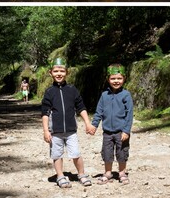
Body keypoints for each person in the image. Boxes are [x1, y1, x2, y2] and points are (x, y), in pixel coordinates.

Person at [41, 58, 95, 188]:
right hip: (55, 132)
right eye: (55, 71)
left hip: (71, 131)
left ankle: (81, 174)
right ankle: (60, 176)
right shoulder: (49, 92)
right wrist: (46, 130)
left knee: (76, 153)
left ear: (67, 72)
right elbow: (45, 113)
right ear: (50, 73)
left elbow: (81, 107)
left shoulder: (72, 89)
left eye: (62, 71)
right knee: (57, 154)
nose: (59, 74)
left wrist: (88, 123)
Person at [90, 64, 133, 185]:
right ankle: (108, 172)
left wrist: (126, 130)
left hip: (121, 132)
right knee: (107, 152)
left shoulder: (126, 95)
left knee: (122, 152)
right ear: (108, 79)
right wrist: (94, 125)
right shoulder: (104, 95)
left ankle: (122, 173)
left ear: (124, 78)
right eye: (113, 78)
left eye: (119, 78)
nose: (116, 81)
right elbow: (99, 112)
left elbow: (129, 114)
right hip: (107, 132)